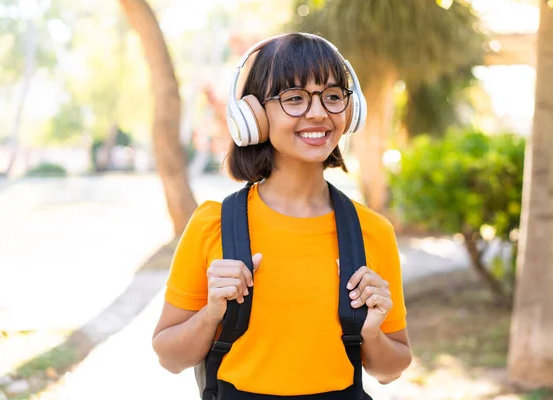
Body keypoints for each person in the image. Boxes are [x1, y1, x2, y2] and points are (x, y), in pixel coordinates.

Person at [151, 32, 412, 399]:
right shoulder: (214, 224)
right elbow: (170, 358)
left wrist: (372, 331)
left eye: (333, 96)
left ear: (351, 111)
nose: (319, 112)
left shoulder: (372, 232)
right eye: (295, 99)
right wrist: (211, 313)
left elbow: (391, 369)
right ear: (253, 115)